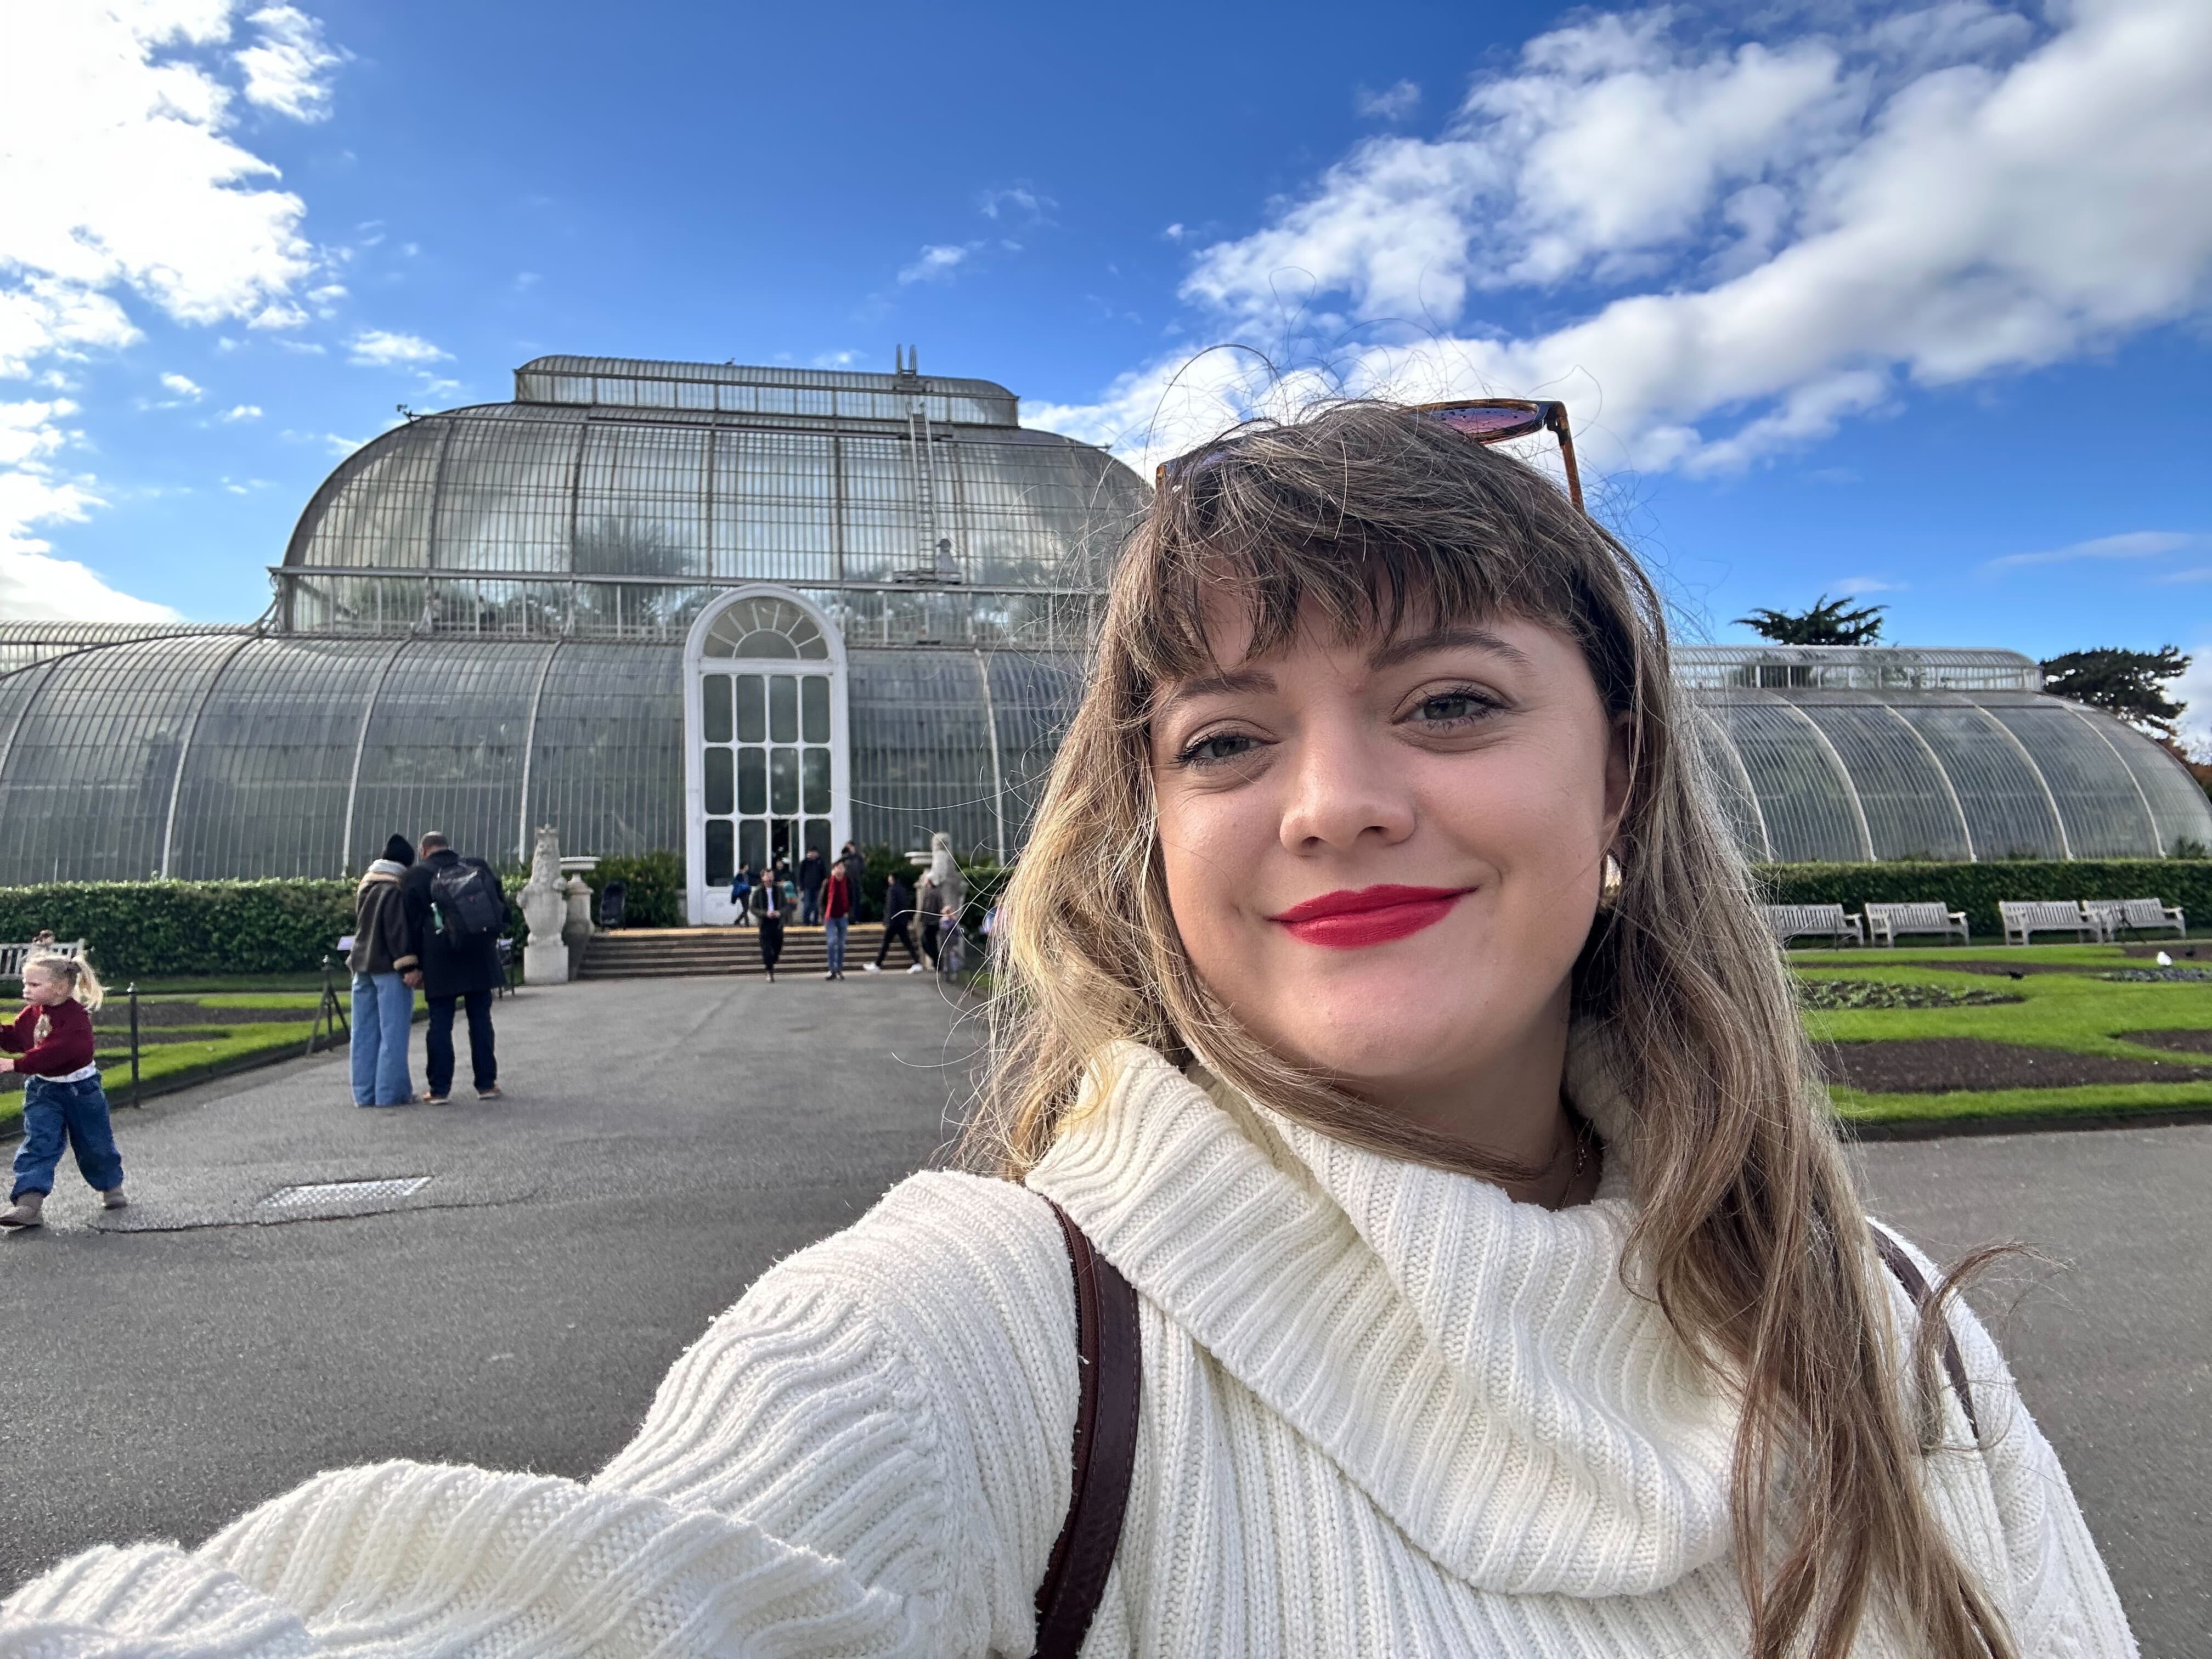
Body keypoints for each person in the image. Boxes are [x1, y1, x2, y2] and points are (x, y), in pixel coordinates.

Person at [0, 402, 2132, 1656]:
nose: (1333, 798)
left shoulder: (1874, 1317)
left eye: (1453, 702)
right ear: (1147, 829)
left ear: (1630, 781)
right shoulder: (990, 1330)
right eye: (1224, 739)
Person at [1, 952, 123, 1227]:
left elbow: (57, 1052)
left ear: (59, 988)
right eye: (25, 983)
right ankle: (28, 1203)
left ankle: (111, 1186)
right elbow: (19, 1039)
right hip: (44, 1090)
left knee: (95, 1143)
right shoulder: (32, 1014)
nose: (25, 989)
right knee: (39, 1142)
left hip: (82, 1090)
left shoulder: (75, 1019)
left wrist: (14, 1065)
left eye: (34, 985)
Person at [399, 831, 508, 1103]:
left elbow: (410, 926)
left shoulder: (415, 877)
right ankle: (486, 1084)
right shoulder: (477, 868)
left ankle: (439, 1090)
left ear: (423, 850)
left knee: (440, 1024)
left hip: (440, 960)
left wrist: (412, 965)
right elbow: (500, 909)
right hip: (479, 955)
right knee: (481, 1020)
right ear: (448, 847)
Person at [346, 834, 418, 1108]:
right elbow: (397, 931)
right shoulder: (394, 889)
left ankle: (364, 1095)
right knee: (393, 1035)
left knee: (363, 1035)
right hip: (387, 968)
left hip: (361, 966)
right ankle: (390, 1095)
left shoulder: (366, 886)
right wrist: (409, 965)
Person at [915, 831, 965, 970]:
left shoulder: (941, 855)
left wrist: (927, 877)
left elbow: (938, 874)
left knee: (933, 937)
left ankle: (940, 963)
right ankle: (942, 963)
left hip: (944, 902)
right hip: (947, 899)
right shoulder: (948, 856)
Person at [864, 867, 922, 972]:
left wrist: (887, 921)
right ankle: (917, 962)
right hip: (902, 921)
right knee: (906, 942)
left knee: (886, 943)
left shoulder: (892, 890)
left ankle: (877, 965)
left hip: (894, 922)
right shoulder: (903, 890)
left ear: (892, 878)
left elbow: (890, 907)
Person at [821, 854, 853, 980]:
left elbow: (852, 898)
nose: (840, 870)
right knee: (832, 941)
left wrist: (849, 911)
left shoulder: (848, 881)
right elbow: (822, 900)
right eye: (838, 867)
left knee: (841, 944)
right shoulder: (828, 882)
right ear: (833, 870)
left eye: (842, 867)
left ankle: (839, 969)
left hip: (843, 916)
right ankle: (831, 969)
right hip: (830, 917)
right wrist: (823, 913)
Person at [750, 867, 785, 981]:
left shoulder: (779, 890)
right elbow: (753, 908)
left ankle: (773, 960)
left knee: (778, 946)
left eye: (771, 876)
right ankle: (769, 971)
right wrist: (765, 913)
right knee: (766, 949)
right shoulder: (758, 891)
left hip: (777, 922)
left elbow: (787, 906)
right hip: (765, 923)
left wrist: (779, 912)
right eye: (767, 876)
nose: (769, 878)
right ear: (763, 878)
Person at [837, 841, 868, 920]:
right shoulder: (844, 858)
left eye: (850, 847)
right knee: (846, 900)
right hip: (846, 882)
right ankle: (847, 917)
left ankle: (856, 917)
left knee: (856, 900)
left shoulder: (858, 857)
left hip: (855, 882)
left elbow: (862, 868)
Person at [795, 847, 826, 926]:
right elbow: (801, 875)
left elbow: (824, 875)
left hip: (818, 887)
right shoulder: (805, 862)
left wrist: (824, 886)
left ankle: (815, 921)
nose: (813, 854)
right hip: (807, 887)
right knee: (807, 904)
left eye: (815, 852)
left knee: (817, 905)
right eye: (812, 852)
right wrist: (801, 886)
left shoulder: (820, 862)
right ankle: (806, 921)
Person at [728, 863, 753, 928]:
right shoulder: (739, 875)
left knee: (746, 908)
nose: (748, 867)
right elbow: (735, 883)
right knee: (746, 908)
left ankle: (738, 920)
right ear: (744, 867)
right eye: (747, 866)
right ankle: (747, 923)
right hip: (742, 894)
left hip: (746, 893)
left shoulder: (747, 874)